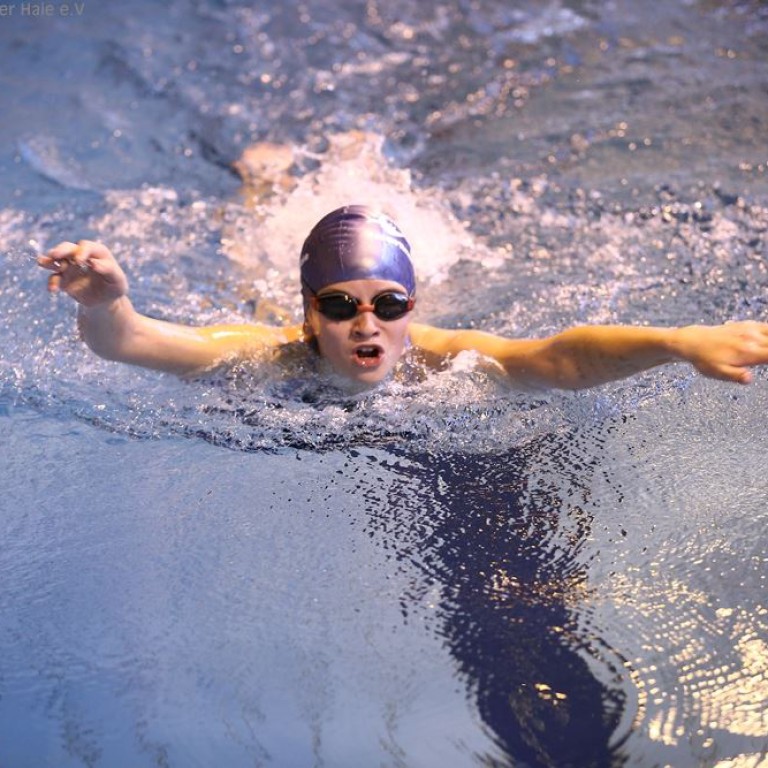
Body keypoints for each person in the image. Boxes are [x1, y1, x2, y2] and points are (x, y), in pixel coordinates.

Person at [37, 204, 768, 390]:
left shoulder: (442, 359)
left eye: (388, 305)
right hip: (268, 308)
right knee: (243, 266)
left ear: (411, 309)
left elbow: (558, 359)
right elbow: (133, 342)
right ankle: (261, 187)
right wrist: (102, 304)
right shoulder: (269, 354)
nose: (366, 324)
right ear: (309, 313)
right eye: (339, 305)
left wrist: (679, 342)